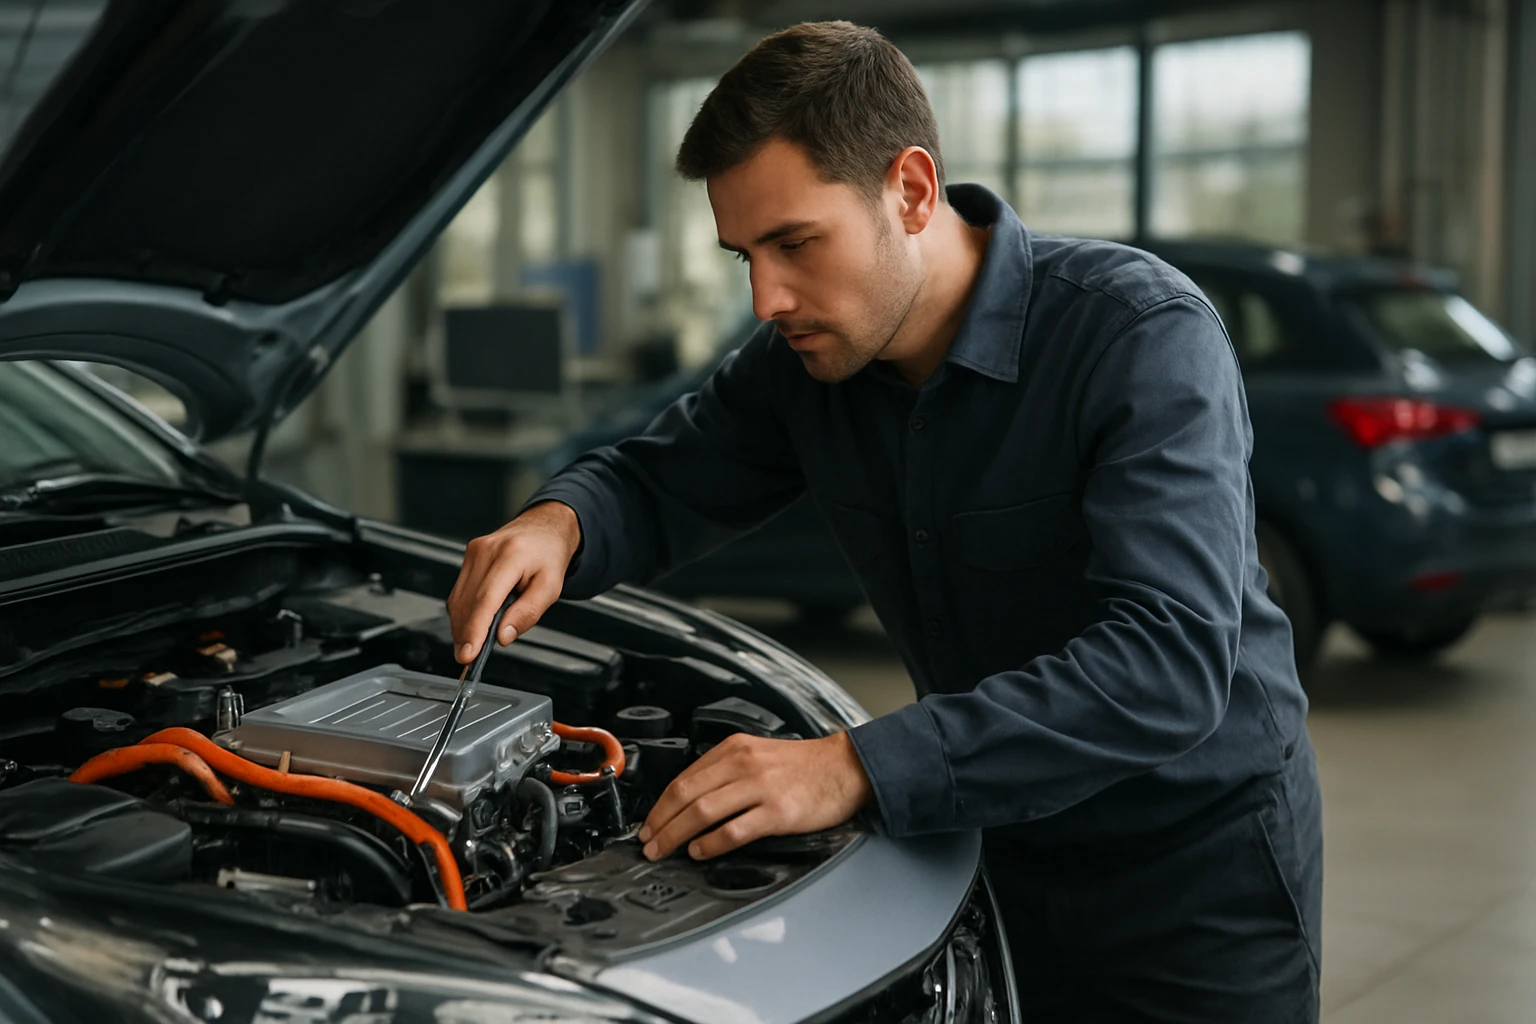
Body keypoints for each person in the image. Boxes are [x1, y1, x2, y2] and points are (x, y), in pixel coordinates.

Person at [448, 20, 1321, 1022]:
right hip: (983, 850)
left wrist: (857, 765)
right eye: (743, 255)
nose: (766, 297)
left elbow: (1168, 661)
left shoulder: (1137, 336)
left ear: (909, 189)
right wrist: (560, 522)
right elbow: (656, 480)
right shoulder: (808, 364)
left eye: (794, 243)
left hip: (1190, 886)